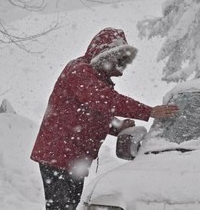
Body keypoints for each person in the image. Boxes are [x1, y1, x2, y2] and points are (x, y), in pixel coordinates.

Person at [30, 27, 179, 210]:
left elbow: (93, 113)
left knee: (68, 205)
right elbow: (106, 100)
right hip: (59, 154)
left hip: (73, 156)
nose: (120, 64)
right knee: (61, 207)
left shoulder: (96, 78)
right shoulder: (79, 71)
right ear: (104, 54)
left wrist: (118, 126)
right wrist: (148, 111)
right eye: (117, 58)